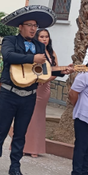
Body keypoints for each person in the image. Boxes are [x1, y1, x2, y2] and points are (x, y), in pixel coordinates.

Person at [0, 5, 69, 175]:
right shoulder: (10, 40)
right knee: (0, 130)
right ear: (20, 26)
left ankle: (15, 167)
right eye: (30, 25)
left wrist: (61, 72)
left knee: (21, 133)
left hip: (29, 95)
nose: (33, 28)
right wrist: (32, 58)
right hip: (9, 93)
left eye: (35, 26)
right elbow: (8, 57)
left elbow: (40, 71)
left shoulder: (40, 45)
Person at [19, 28, 64, 157]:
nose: (44, 39)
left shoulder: (51, 52)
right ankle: (22, 146)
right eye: (42, 37)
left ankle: (34, 148)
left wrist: (49, 78)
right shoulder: (34, 51)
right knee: (27, 116)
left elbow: (55, 70)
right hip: (33, 86)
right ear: (37, 38)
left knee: (38, 118)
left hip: (45, 88)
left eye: (46, 37)